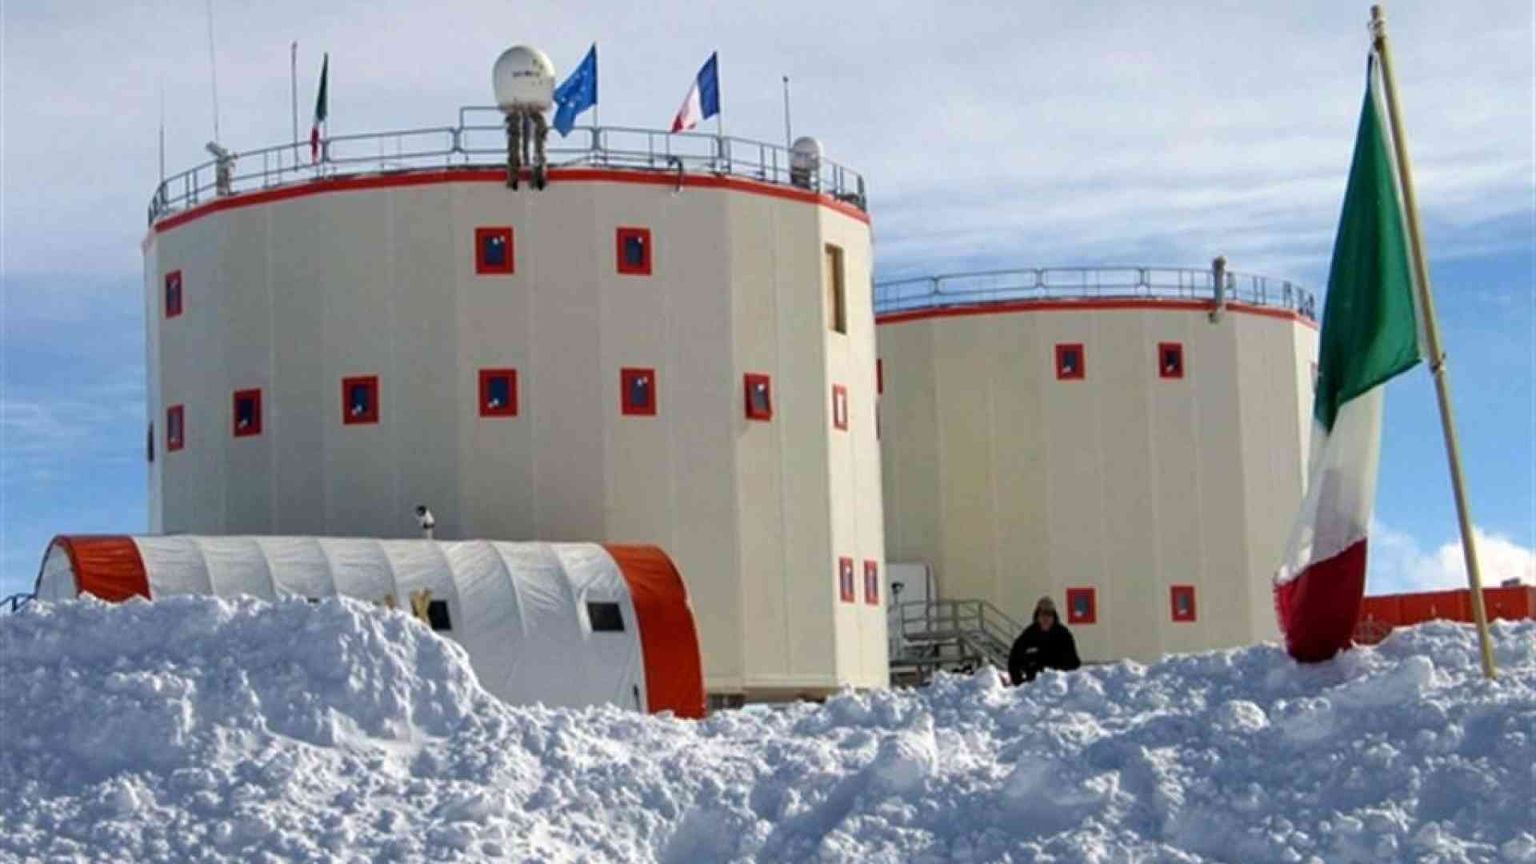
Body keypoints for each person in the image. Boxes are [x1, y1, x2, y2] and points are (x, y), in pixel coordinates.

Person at [1008, 596, 1081, 685]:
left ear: (1054, 617)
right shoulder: (1028, 636)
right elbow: (1013, 661)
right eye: (1042, 614)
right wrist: (1020, 683)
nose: (1046, 619)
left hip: (1058, 686)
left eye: (1049, 615)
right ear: (1037, 616)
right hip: (1034, 687)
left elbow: (1074, 664)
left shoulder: (1064, 636)